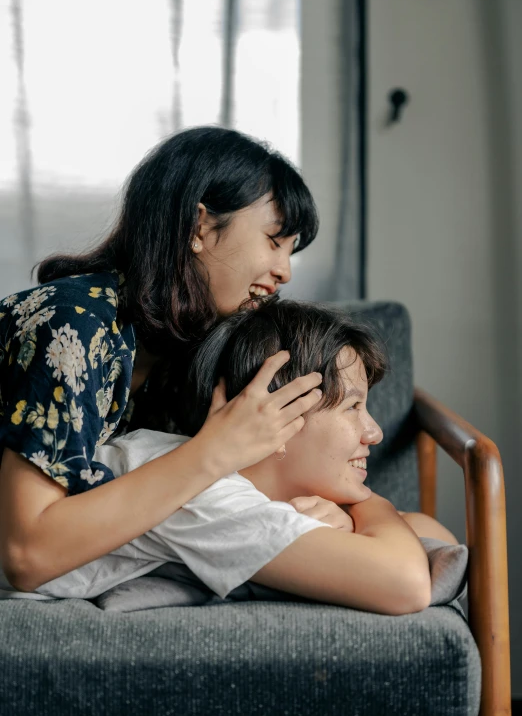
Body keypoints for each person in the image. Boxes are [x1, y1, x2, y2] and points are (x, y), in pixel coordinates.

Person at [0, 126, 324, 594]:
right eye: (274, 241)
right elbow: (27, 554)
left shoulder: (184, 348)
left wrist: (302, 514)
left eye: (291, 251)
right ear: (200, 227)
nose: (285, 271)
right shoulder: (74, 324)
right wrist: (215, 451)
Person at [0, 299, 458, 616]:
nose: (374, 433)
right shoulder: (210, 498)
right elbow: (407, 583)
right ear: (280, 417)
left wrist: (349, 517)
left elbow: (434, 538)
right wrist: (367, 506)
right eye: (354, 406)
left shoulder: (221, 484)